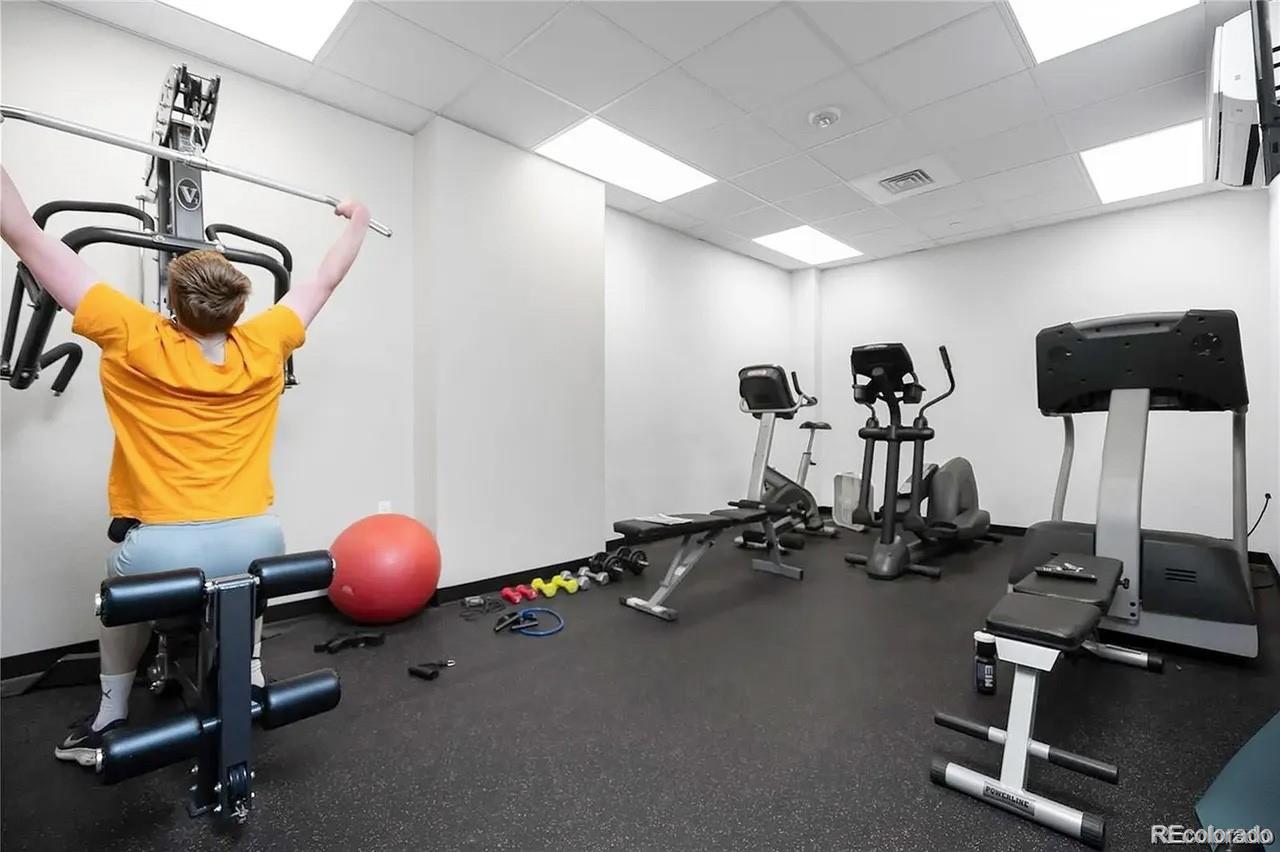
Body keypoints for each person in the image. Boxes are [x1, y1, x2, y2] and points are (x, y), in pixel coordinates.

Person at [0, 165, 370, 766]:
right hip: (258, 534)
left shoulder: (131, 331)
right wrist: (359, 217)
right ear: (239, 303)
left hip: (161, 551)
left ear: (173, 303)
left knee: (114, 595)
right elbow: (325, 279)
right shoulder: (267, 340)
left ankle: (109, 714)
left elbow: (23, 232)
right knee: (242, 581)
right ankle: (248, 675)